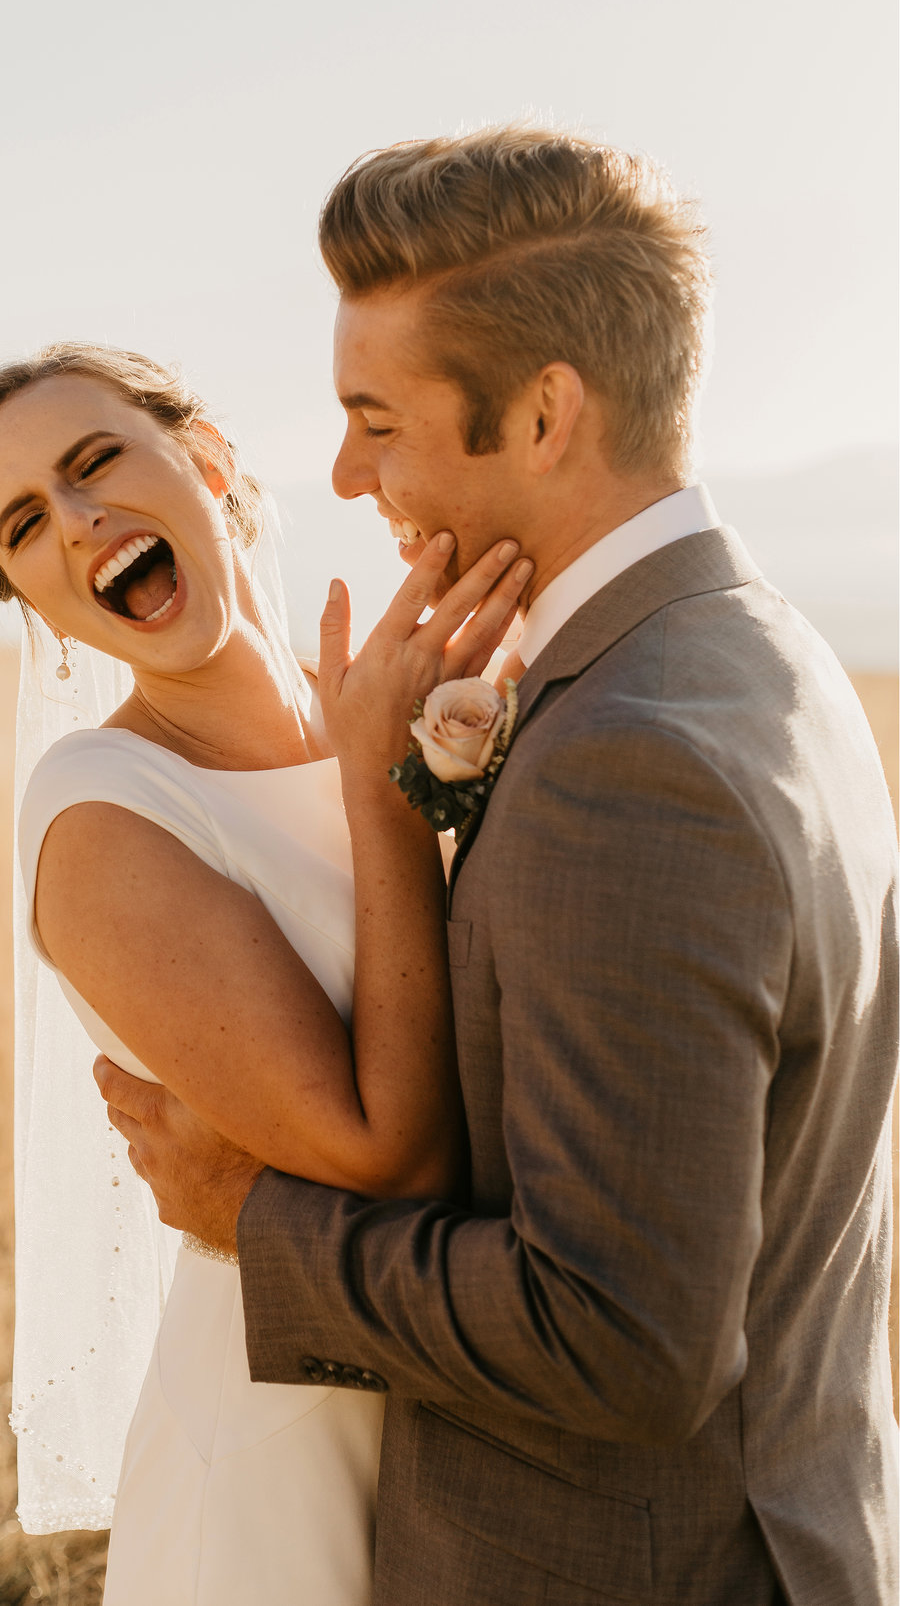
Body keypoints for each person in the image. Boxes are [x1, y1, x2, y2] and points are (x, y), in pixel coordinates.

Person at [98, 125, 899, 1603]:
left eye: (378, 419)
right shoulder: (762, 649)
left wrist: (256, 1217)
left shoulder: (630, 758)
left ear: (545, 417)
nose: (343, 472)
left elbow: (620, 1337)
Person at [0, 342, 525, 1602]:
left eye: (96, 463)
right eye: (27, 526)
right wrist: (378, 786)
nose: (79, 521)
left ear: (204, 461)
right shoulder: (101, 815)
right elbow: (384, 1155)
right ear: (33, 599)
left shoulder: (375, 713)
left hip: (468, 1413)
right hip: (277, 1454)